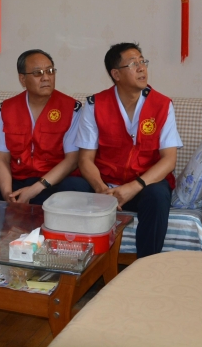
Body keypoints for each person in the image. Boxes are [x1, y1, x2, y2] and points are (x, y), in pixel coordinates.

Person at [77, 42, 181, 258]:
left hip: (144, 185)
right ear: (116, 74)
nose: (142, 68)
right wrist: (101, 190)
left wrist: (134, 187)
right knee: (71, 186)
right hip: (105, 185)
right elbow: (85, 159)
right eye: (133, 64)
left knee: (158, 194)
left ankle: (146, 266)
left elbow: (169, 160)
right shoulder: (95, 105)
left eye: (143, 61)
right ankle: (78, 263)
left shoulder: (162, 105)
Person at [0, 49, 91, 205]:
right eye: (38, 73)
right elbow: (2, 159)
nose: (46, 78)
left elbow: (72, 160)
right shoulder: (6, 109)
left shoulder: (71, 108)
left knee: (71, 191)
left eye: (50, 71)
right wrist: (8, 195)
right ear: (22, 79)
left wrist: (34, 189)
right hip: (19, 180)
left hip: (54, 182)